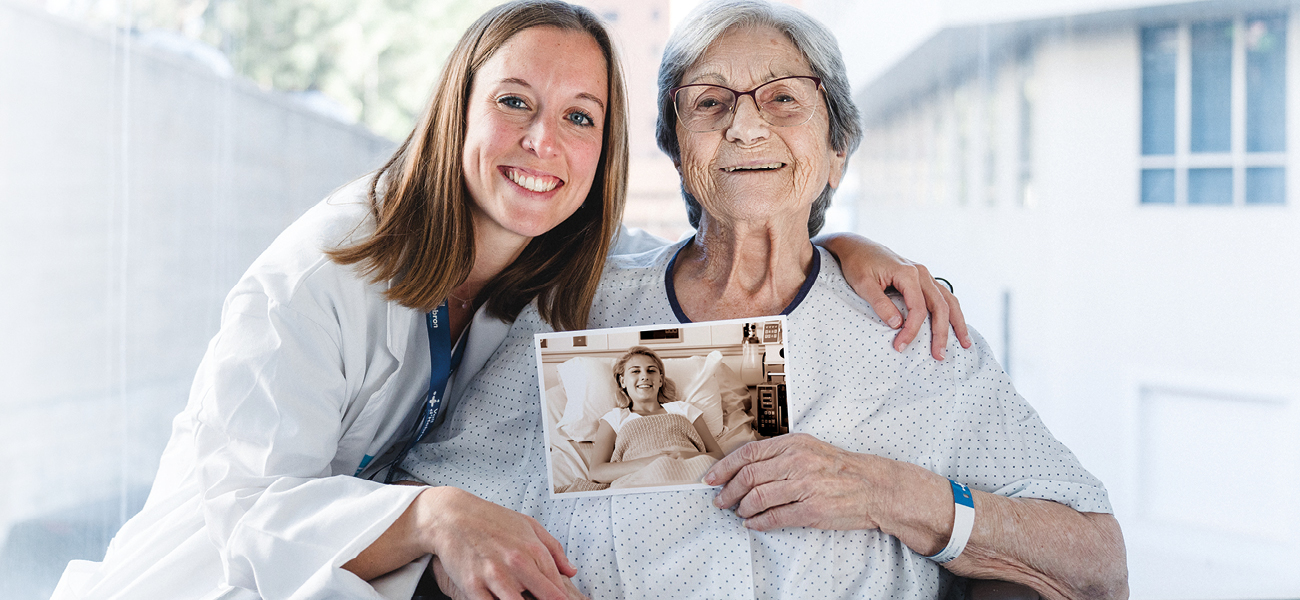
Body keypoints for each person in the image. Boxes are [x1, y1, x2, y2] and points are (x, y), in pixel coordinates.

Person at [52, 1, 967, 599]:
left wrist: (843, 245)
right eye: (515, 102)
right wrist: (434, 514)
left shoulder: (558, 267)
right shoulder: (316, 278)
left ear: (604, 152)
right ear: (459, 107)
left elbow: (713, 261)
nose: (543, 142)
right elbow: (244, 514)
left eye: (579, 117)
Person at [399, 1, 1127, 598]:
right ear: (677, 147)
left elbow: (1098, 562)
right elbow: (434, 501)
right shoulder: (579, 310)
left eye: (784, 98)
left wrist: (889, 492)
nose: (746, 126)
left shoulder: (914, 333)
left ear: (838, 146)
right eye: (710, 102)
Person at [584, 347, 724, 488]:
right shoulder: (614, 418)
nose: (645, 376)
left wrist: (685, 455)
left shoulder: (683, 409)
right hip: (641, 482)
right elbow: (597, 472)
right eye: (635, 371)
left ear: (661, 380)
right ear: (623, 381)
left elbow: (719, 456)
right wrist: (657, 461)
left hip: (691, 473)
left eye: (651, 370)